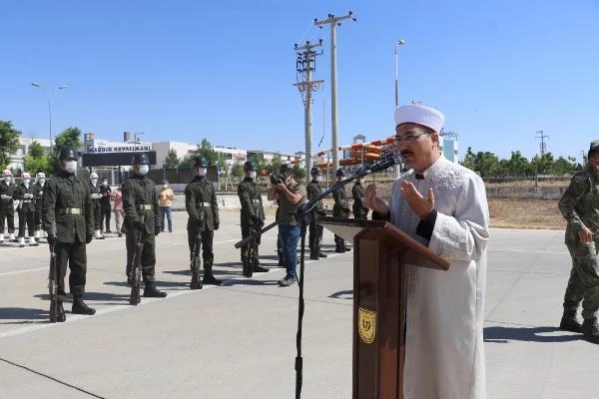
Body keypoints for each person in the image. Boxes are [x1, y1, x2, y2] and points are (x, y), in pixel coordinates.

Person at [364, 103, 489, 398]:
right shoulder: (399, 185)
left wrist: (430, 218)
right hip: (408, 300)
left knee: (449, 380)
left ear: (434, 138)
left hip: (448, 303)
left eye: (410, 136)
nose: (402, 146)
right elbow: (399, 237)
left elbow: (476, 241)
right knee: (414, 378)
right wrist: (383, 215)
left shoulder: (465, 181)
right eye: (398, 139)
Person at [43, 147, 96, 322]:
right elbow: (48, 208)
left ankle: (78, 301)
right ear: (61, 162)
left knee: (80, 268)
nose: (72, 162)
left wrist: (90, 229)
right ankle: (58, 304)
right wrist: (50, 230)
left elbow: (88, 209)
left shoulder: (82, 184)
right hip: (62, 232)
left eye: (74, 159)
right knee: (59, 270)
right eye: (68, 159)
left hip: (79, 231)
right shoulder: (54, 182)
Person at [557, 140, 599, 343]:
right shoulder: (583, 179)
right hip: (579, 238)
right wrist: (580, 227)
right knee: (594, 278)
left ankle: (568, 317)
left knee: (579, 277)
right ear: (592, 160)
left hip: (595, 238)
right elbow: (565, 205)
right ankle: (590, 322)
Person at [122, 153, 167, 298]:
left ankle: (150, 285)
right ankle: (134, 284)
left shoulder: (151, 183)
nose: (144, 167)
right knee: (135, 256)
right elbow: (129, 206)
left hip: (149, 223)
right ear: (134, 167)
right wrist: (136, 222)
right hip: (135, 226)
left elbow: (155, 205)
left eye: (145, 164)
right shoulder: (129, 183)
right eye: (141, 165)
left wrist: (158, 223)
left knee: (149, 255)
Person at [185, 156, 222, 285]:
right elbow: (190, 206)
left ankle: (208, 274)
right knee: (195, 250)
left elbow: (214, 203)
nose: (203, 170)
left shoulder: (210, 185)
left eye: (205, 168)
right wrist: (196, 218)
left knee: (208, 249)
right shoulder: (191, 186)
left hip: (209, 221)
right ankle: (195, 276)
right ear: (195, 169)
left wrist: (216, 218)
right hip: (196, 223)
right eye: (201, 168)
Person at [267, 163, 306, 286]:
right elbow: (270, 197)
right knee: (285, 250)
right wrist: (274, 187)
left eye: (288, 173)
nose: (285, 175)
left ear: (292, 174)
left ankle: (292, 276)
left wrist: (284, 189)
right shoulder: (282, 188)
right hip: (283, 223)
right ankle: (289, 273)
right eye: (284, 173)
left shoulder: (299, 187)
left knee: (291, 250)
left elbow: (295, 199)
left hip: (294, 224)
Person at [237, 161, 269, 277]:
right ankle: (246, 265)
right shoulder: (243, 186)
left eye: (255, 171)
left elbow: (260, 202)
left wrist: (261, 216)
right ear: (246, 171)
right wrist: (252, 216)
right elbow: (246, 202)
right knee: (247, 241)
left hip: (257, 216)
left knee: (256, 242)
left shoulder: (256, 186)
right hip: (248, 218)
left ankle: (255, 263)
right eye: (251, 171)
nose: (254, 173)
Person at [306, 166, 327, 260]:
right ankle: (313, 251)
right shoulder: (311, 186)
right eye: (317, 175)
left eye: (318, 174)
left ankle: (318, 249)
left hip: (320, 211)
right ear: (313, 175)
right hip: (314, 212)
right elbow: (312, 200)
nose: (318, 176)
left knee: (319, 231)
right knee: (314, 231)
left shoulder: (318, 185)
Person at [15, 172, 38, 247]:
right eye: (25, 178)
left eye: (28, 178)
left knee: (31, 224)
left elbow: (36, 195)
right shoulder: (19, 187)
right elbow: (15, 196)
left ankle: (31, 239)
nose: (27, 179)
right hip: (23, 206)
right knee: (22, 224)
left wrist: (32, 196)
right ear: (22, 178)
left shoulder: (32, 187)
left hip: (31, 207)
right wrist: (23, 196)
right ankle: (22, 239)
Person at [332, 168, 351, 253]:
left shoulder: (342, 186)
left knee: (344, 228)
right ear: (338, 177)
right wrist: (345, 208)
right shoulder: (336, 187)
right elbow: (338, 201)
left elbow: (344, 199)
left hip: (344, 210)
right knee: (339, 228)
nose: (342, 177)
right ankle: (339, 245)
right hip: (340, 210)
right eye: (341, 176)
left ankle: (343, 244)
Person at [0, 169, 17, 244]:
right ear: (3, 176)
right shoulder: (0, 184)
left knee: (11, 220)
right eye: (6, 175)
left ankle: (11, 235)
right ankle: (1, 235)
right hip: (2, 205)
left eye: (9, 176)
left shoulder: (13, 185)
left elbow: (15, 194)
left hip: (10, 205)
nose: (8, 177)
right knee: (1, 221)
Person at [89, 172, 104, 240]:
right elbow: (88, 195)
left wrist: (100, 195)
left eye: (96, 178)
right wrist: (93, 196)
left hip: (97, 205)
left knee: (98, 219)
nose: (95, 179)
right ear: (91, 178)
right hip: (91, 205)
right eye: (93, 178)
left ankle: (97, 233)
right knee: (91, 219)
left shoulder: (98, 186)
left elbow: (100, 193)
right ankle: (90, 233)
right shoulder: (88, 186)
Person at [33, 172, 46, 242]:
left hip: (46, 205)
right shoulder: (35, 186)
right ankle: (37, 234)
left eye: (43, 178)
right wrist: (38, 195)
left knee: (46, 219)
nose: (42, 179)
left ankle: (45, 233)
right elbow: (33, 195)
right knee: (37, 219)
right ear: (38, 178)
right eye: (40, 178)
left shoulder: (47, 185)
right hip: (38, 205)